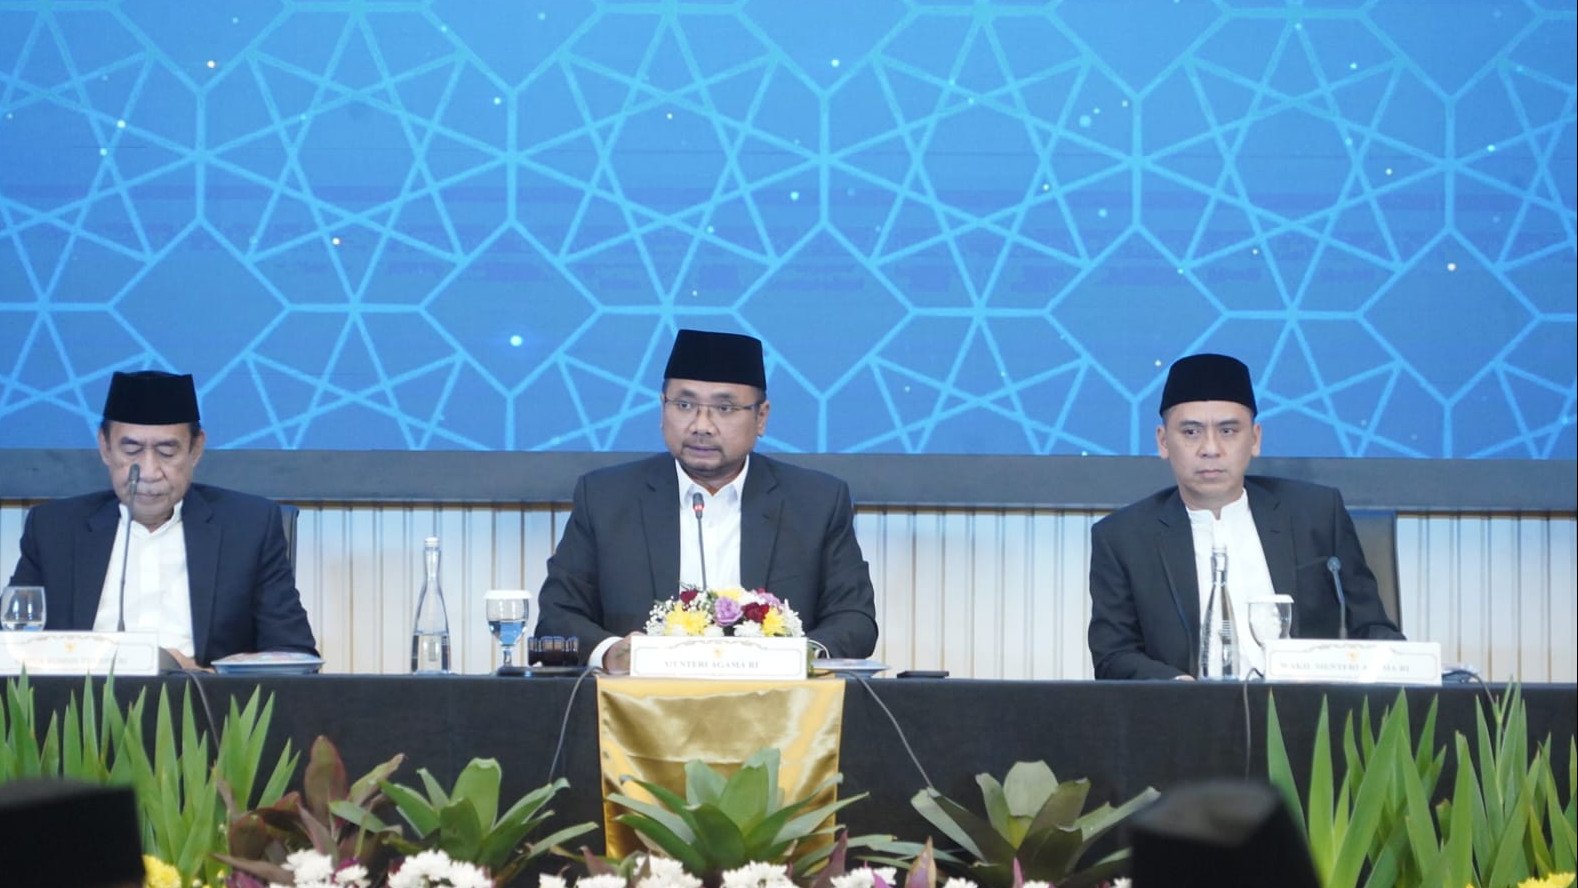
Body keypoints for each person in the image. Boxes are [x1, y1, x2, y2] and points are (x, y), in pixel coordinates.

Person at [536, 329, 879, 671]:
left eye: (724, 408)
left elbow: (854, 618)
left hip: (773, 699)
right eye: (684, 405)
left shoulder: (816, 502)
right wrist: (611, 652)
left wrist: (798, 658)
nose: (701, 425)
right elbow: (557, 614)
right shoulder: (605, 497)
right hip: (641, 699)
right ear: (662, 408)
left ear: (761, 417)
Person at [1087, 353, 1403, 680]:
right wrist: (1178, 689)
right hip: (1187, 708)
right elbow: (1113, 656)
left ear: (1254, 439)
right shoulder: (1123, 539)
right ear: (1163, 442)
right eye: (1191, 432)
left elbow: (1371, 628)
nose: (1211, 449)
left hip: (1306, 706)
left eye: (1228, 431)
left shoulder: (1317, 514)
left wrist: (1410, 665)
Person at [8, 370, 318, 667]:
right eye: (131, 450)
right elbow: (11, 645)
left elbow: (294, 655)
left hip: (201, 699)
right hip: (85, 701)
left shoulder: (249, 527)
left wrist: (204, 676)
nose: (149, 472)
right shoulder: (54, 529)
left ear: (196, 449)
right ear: (105, 447)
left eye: (167, 452)